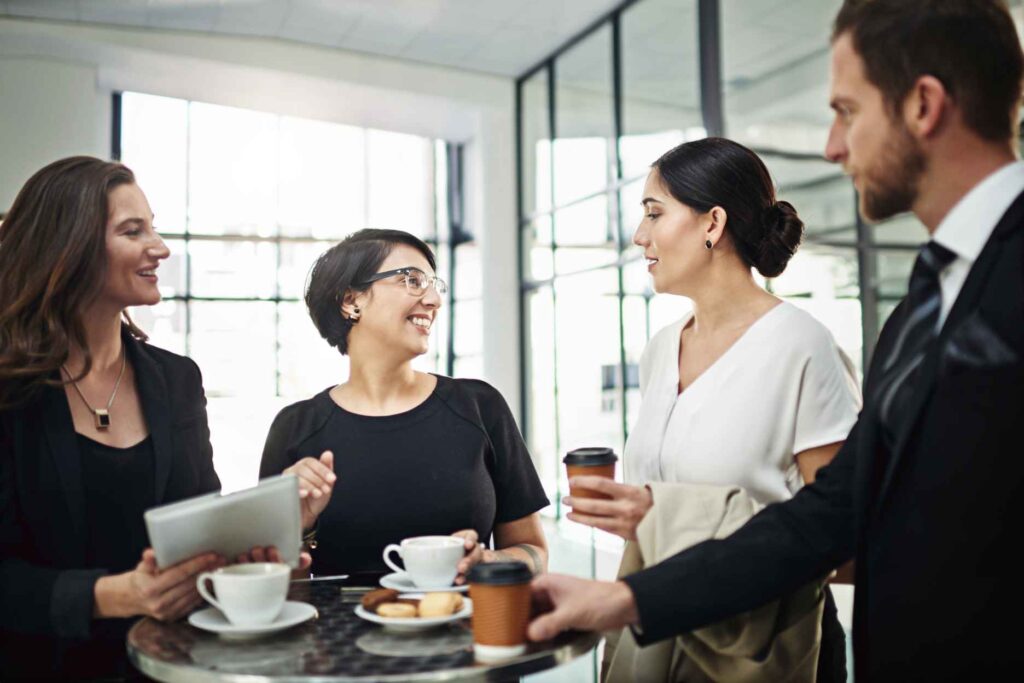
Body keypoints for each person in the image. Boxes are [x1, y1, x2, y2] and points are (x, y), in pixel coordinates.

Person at [526, 1, 1024, 680]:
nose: (831, 146)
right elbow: (831, 518)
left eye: (846, 111)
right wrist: (627, 598)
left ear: (923, 105)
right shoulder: (917, 311)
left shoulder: (818, 337)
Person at [564, 137, 860, 681]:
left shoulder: (801, 345)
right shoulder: (661, 349)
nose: (639, 235)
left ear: (712, 224)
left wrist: (666, 519)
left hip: (760, 649)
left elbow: (845, 543)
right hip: (662, 628)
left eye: (654, 213)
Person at [0, 157, 225, 680]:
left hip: (173, 667)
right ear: (67, 246)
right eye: (133, 230)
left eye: (153, 227)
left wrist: (252, 550)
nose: (160, 248)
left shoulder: (177, 380)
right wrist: (114, 595)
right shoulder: (9, 389)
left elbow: (202, 520)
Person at [260, 229, 549, 582]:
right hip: (336, 620)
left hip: (464, 617)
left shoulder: (480, 406)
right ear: (351, 300)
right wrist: (298, 530)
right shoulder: (294, 428)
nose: (434, 300)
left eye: (434, 285)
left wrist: (489, 561)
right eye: (412, 280)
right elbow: (272, 583)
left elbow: (534, 552)